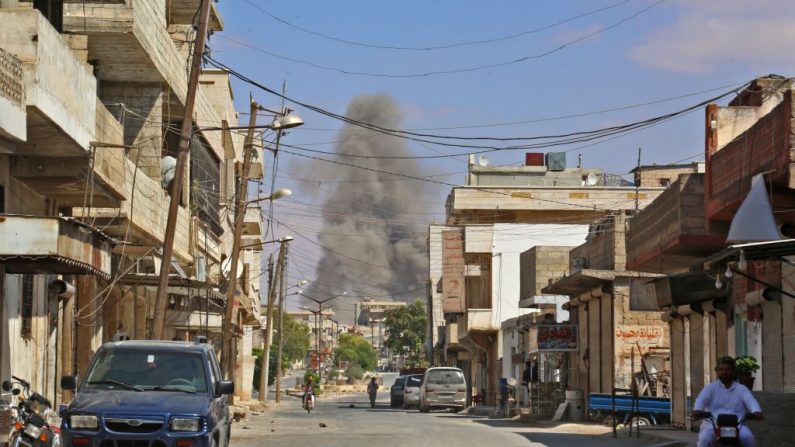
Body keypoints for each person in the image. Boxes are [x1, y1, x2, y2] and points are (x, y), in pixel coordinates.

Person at [692, 356, 764, 447]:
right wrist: (697, 409)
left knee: (749, 438)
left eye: (727, 369)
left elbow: (750, 400)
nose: (724, 372)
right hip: (713, 426)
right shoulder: (710, 388)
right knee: (704, 441)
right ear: (717, 371)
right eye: (721, 369)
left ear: (733, 371)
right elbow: (701, 400)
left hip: (737, 425)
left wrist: (756, 411)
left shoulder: (741, 389)